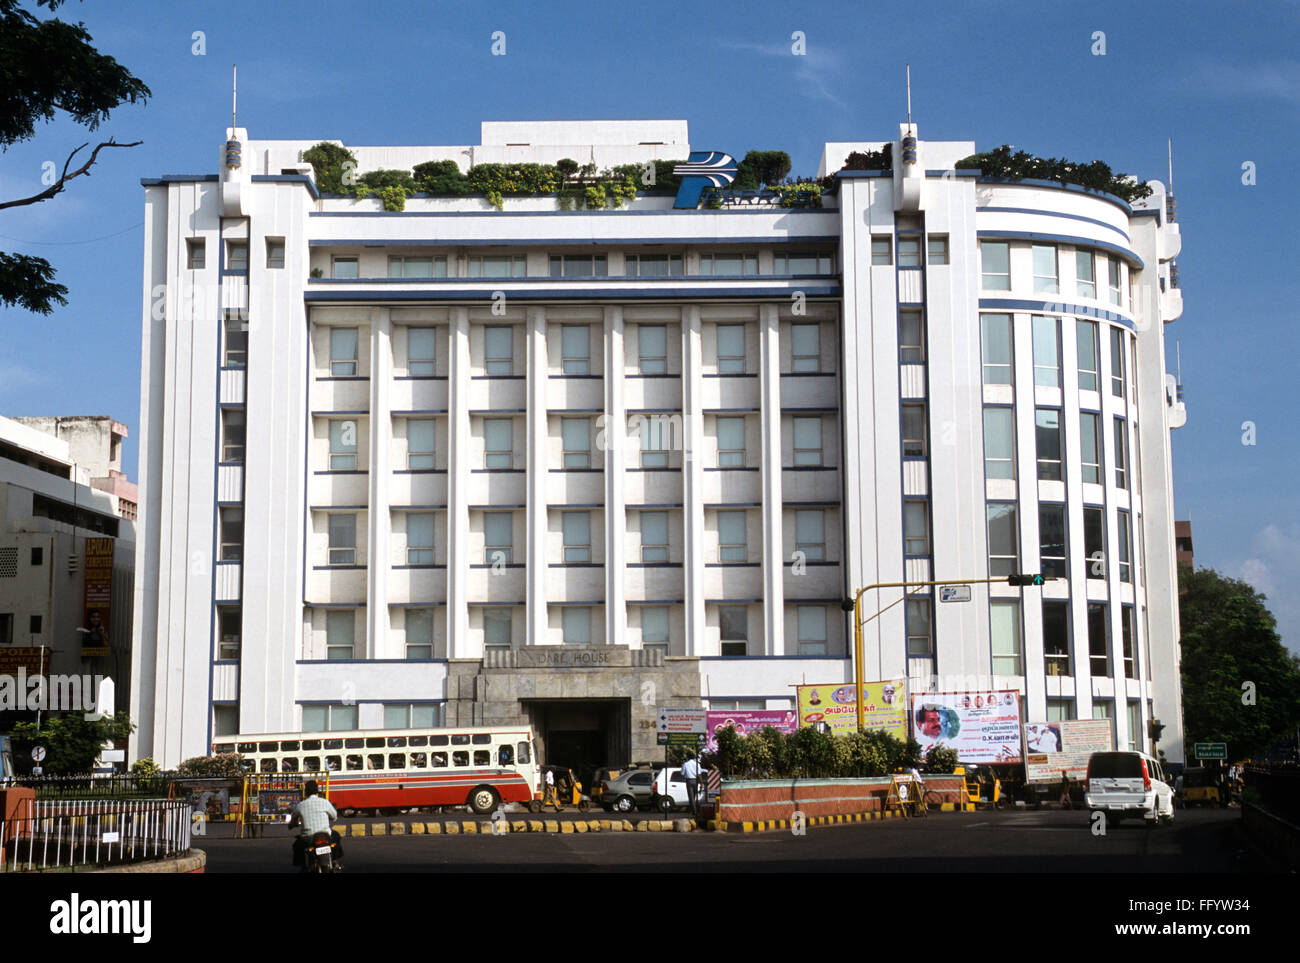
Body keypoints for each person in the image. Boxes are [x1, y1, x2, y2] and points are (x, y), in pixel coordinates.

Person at [288, 780, 343, 871]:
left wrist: (292, 825)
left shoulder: (301, 805)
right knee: (336, 836)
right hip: (326, 836)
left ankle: (303, 866)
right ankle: (335, 861)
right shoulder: (324, 802)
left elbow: (293, 820)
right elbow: (334, 816)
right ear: (317, 791)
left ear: (306, 792)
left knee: (297, 845)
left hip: (308, 838)